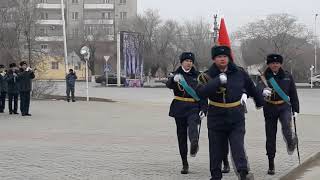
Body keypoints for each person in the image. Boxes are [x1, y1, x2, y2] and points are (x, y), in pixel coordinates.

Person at [196, 46, 263, 180]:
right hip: (216, 116)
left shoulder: (239, 72)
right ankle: (216, 175)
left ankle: (243, 173)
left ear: (229, 58)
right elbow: (200, 92)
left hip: (236, 115)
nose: (222, 59)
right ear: (214, 59)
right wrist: (217, 81)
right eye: (219, 57)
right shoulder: (207, 75)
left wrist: (259, 100)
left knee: (237, 145)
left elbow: (251, 87)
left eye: (225, 56)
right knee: (216, 149)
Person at [166, 52, 207, 174]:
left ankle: (194, 142)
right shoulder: (176, 74)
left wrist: (204, 109)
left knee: (193, 124)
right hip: (179, 107)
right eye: (186, 60)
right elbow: (168, 85)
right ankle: (184, 163)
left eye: (191, 61)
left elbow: (203, 94)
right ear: (181, 62)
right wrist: (173, 79)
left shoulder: (198, 76)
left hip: (194, 106)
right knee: (181, 135)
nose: (189, 63)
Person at [259, 54, 299, 175]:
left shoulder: (287, 76)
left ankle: (291, 141)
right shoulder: (263, 76)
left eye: (277, 63)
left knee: (287, 126)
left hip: (284, 106)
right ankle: (271, 163)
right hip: (269, 107)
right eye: (272, 63)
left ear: (280, 64)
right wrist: (262, 91)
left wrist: (296, 109)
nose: (274, 65)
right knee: (270, 136)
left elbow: (293, 93)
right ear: (268, 64)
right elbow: (257, 89)